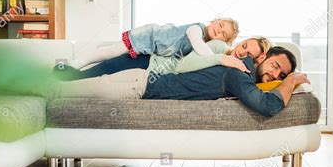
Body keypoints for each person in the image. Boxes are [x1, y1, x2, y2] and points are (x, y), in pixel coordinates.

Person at [52, 46, 310, 117]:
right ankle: (18, 84)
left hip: (139, 85)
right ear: (263, 57)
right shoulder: (238, 72)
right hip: (137, 84)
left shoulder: (246, 76)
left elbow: (264, 94)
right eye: (275, 67)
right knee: (60, 91)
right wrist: (291, 82)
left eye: (281, 76)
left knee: (62, 92)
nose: (275, 76)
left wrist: (283, 81)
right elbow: (266, 106)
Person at [54, 37, 272, 81]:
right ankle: (71, 77)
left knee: (109, 71)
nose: (242, 52)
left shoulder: (232, 66)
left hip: (154, 69)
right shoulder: (218, 48)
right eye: (244, 46)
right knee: (110, 66)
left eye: (249, 54)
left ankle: (72, 78)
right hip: (151, 60)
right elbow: (185, 65)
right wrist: (220, 59)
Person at [68, 18, 239, 70]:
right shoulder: (196, 30)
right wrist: (217, 57)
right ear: (215, 21)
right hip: (150, 37)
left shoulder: (204, 43)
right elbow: (197, 43)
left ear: (223, 41)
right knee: (113, 51)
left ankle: (82, 64)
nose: (219, 30)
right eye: (220, 25)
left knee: (117, 57)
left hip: (153, 50)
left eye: (224, 34)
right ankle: (79, 62)